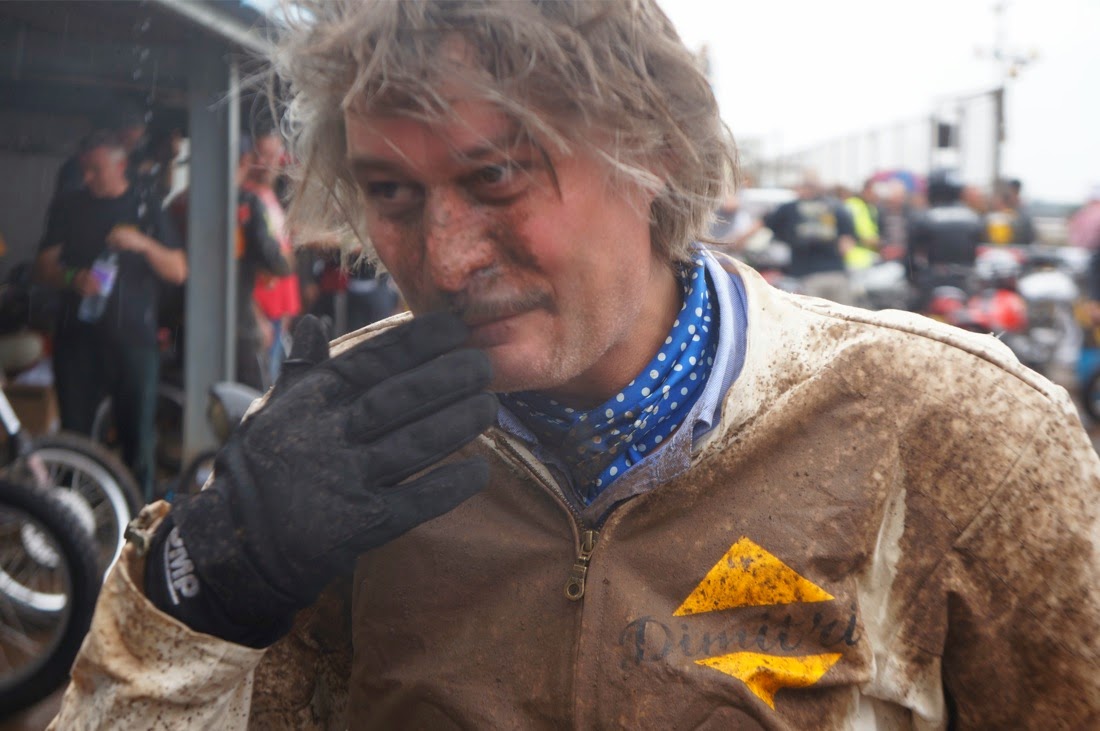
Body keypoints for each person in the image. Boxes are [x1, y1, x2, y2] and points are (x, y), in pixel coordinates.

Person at [51, 2, 1098, 729]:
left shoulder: (957, 433)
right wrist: (198, 593)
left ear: (659, 158)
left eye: (497, 176)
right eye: (392, 192)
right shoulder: (337, 439)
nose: (444, 259)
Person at [34, 131, 187, 502]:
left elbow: (178, 270)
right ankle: (70, 518)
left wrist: (142, 243)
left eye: (96, 169)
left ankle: (139, 520)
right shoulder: (69, 205)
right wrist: (73, 278)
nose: (87, 177)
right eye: (85, 169)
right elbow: (44, 266)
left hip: (134, 342)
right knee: (74, 440)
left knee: (138, 441)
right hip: (77, 341)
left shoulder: (145, 205)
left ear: (120, 166)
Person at [241, 127, 300, 387]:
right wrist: (255, 315)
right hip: (260, 317)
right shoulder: (247, 199)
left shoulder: (269, 196)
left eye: (272, 155)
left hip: (277, 314)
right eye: (260, 155)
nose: (266, 163)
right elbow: (241, 268)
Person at [764, 172, 858, 304]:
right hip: (836, 273)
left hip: (806, 275)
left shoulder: (789, 208)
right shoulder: (836, 207)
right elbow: (846, 244)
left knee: (811, 314)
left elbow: (766, 223)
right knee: (843, 315)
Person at [907, 168, 985, 310]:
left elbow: (910, 259)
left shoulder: (923, 218)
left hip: (932, 283)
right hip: (967, 283)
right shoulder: (974, 218)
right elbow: (981, 252)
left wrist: (913, 280)